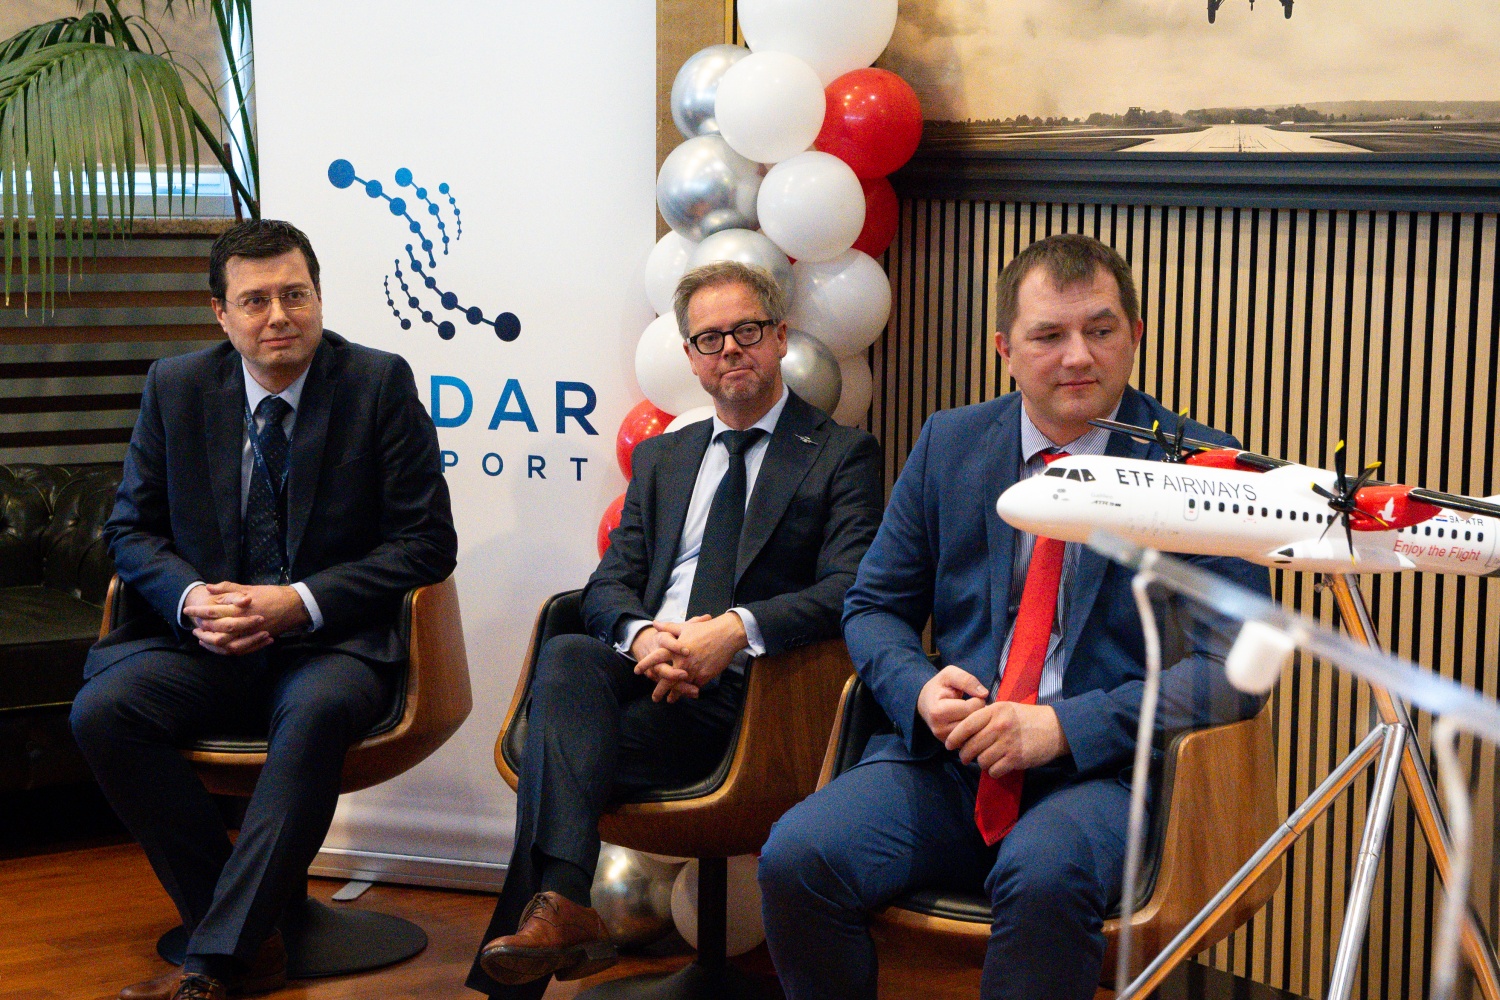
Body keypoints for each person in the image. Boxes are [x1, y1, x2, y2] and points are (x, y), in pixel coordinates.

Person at [757, 234, 1271, 1000]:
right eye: (1048, 335)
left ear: (1136, 335)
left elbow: (1237, 670)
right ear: (1005, 349)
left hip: (1106, 772)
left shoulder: (1204, 467)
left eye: (1101, 330)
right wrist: (920, 690)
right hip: (953, 760)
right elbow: (874, 607)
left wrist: (1065, 727)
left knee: (1042, 875)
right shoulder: (951, 443)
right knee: (799, 857)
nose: (1078, 357)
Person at [467, 260, 884, 998]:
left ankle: (548, 928)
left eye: (746, 331)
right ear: (690, 357)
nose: (730, 350)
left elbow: (849, 587)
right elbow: (609, 584)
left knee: (556, 752)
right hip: (645, 674)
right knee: (570, 653)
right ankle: (561, 905)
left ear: (780, 337)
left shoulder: (841, 453)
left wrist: (734, 630)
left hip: (754, 701)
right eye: (709, 339)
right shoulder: (664, 457)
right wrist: (643, 637)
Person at [70, 220, 458, 1000]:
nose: (279, 315)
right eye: (255, 301)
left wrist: (297, 603)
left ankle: (215, 962)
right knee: (102, 713)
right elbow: (130, 530)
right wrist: (192, 599)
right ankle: (244, 931)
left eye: (295, 295)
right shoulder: (176, 386)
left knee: (314, 714)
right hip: (205, 644)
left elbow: (426, 543)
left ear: (318, 298)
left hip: (330, 646)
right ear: (221, 314)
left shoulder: (377, 384)